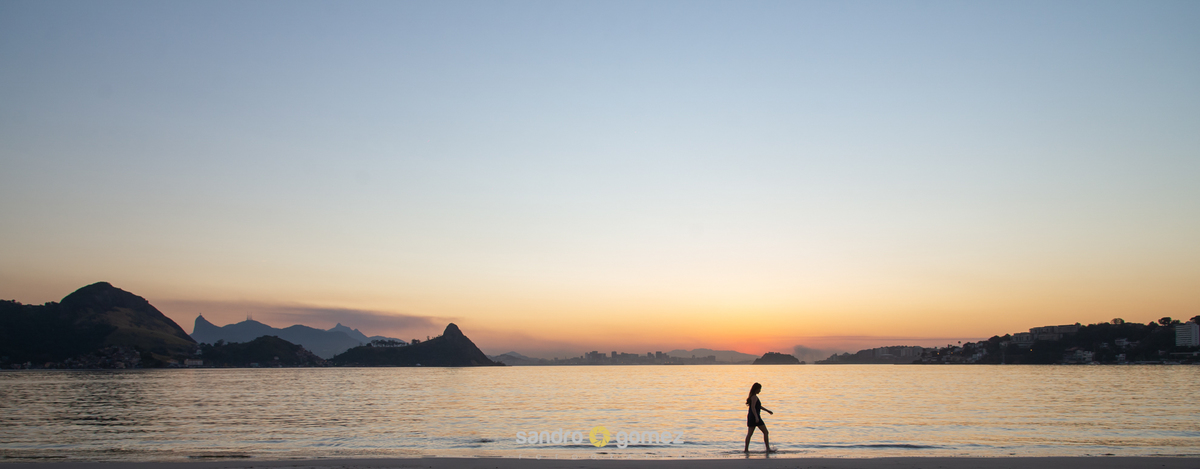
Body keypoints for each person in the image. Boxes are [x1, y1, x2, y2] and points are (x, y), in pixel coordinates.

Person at [743, 382, 775, 453]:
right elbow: (753, 408)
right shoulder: (754, 397)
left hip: (751, 416)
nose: (760, 391)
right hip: (755, 417)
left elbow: (758, 406)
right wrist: (757, 417)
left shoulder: (753, 397)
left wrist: (767, 410)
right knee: (765, 432)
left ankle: (746, 449)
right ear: (756, 389)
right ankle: (767, 448)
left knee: (750, 434)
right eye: (759, 389)